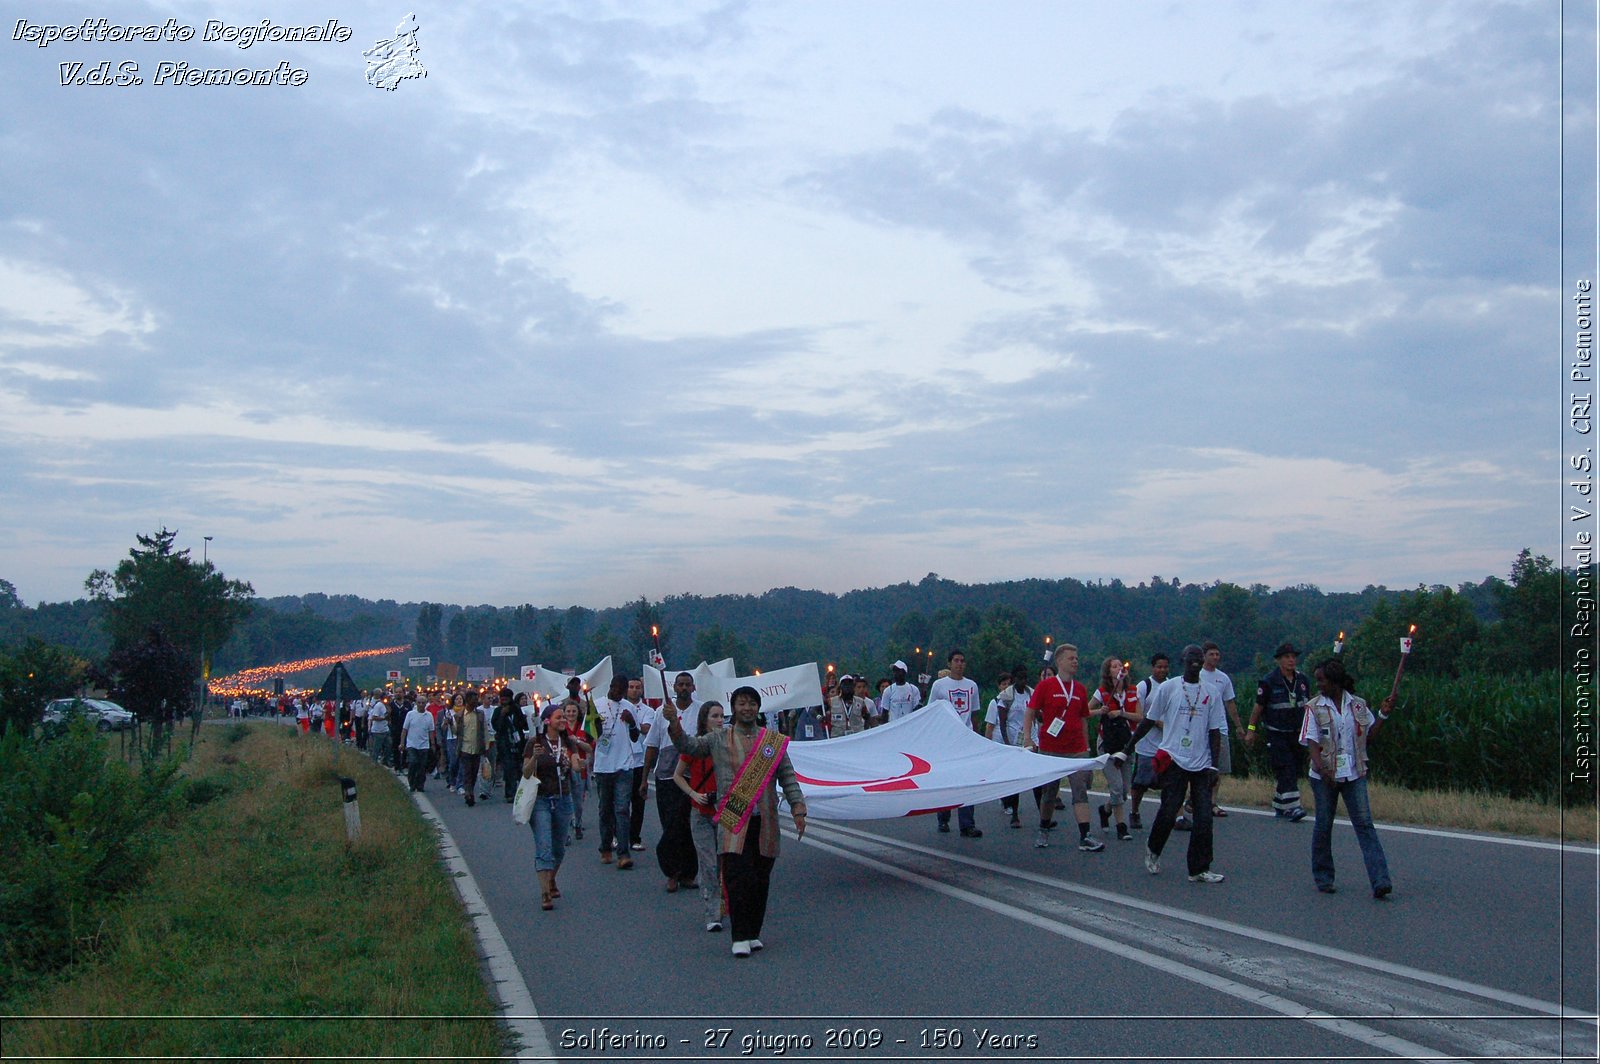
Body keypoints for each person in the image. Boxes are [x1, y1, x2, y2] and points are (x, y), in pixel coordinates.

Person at [663, 686, 808, 958]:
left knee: (760, 879)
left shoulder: (771, 741)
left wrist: (798, 807)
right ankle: (739, 936)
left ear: (758, 707)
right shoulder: (718, 738)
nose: (747, 708)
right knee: (737, 878)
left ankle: (753, 932)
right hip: (733, 820)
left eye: (752, 703)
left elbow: (787, 776)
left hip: (765, 821)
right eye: (742, 703)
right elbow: (688, 746)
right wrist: (673, 721)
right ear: (734, 707)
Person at [1132, 644, 1226, 883]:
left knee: (1204, 816)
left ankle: (1199, 868)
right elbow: (1148, 720)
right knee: (1170, 809)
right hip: (1174, 757)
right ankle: (1153, 847)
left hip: (1201, 761)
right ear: (1183, 661)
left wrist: (1214, 766)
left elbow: (1215, 732)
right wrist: (1127, 748)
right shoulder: (1169, 687)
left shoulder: (1211, 692)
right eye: (1190, 659)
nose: (1195, 663)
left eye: (1198, 659)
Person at [1301, 659, 1395, 897]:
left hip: (1354, 773)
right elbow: (1312, 743)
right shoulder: (1314, 707)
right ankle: (1324, 877)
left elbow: (1369, 738)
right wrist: (1324, 771)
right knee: (1324, 825)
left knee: (1365, 824)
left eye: (1322, 680)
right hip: (1324, 776)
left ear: (1334, 682)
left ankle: (1380, 880)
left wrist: (1383, 715)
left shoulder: (1358, 706)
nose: (1318, 684)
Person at [1021, 643, 1103, 852]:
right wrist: (1028, 739)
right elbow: (1030, 712)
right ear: (1059, 662)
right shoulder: (1046, 686)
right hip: (1051, 748)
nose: (1075, 661)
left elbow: (1083, 719)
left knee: (1080, 790)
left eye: (1076, 658)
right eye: (1071, 658)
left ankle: (1085, 835)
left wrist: (1086, 748)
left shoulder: (1081, 689)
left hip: (1076, 749)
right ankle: (1043, 828)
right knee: (1049, 792)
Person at [523, 704, 591, 910]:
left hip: (563, 798)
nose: (563, 720)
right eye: (558, 717)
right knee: (544, 846)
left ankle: (551, 878)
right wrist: (535, 756)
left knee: (559, 847)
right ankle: (545, 892)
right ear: (547, 721)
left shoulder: (567, 742)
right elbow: (525, 773)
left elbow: (577, 763)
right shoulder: (535, 742)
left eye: (564, 717)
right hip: (541, 799)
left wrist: (580, 763)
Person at [672, 700, 728, 932]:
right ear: (704, 719)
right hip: (702, 812)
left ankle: (727, 902)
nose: (719, 720)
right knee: (708, 864)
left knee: (727, 862)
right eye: (714, 716)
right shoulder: (696, 747)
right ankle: (712, 913)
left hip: (726, 811)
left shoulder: (728, 745)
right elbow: (677, 776)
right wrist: (695, 794)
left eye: (722, 716)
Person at [643, 672, 701, 892]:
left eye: (688, 685)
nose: (684, 688)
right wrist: (643, 778)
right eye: (680, 685)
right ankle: (671, 872)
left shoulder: (701, 710)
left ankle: (688, 873)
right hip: (667, 776)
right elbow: (652, 745)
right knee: (671, 824)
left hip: (692, 777)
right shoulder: (662, 712)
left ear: (693, 688)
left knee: (688, 825)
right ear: (674, 688)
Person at [1248, 642, 1314, 821]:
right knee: (1286, 768)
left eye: (1293, 657)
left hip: (1296, 733)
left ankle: (1279, 804)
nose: (1291, 660)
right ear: (1278, 660)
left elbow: (1308, 707)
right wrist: (1251, 730)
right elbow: (1258, 708)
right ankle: (1293, 807)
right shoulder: (1269, 681)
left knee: (1295, 767)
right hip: (1276, 732)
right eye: (1287, 657)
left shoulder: (1302, 681)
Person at [928, 650, 983, 837]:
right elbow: (932, 712)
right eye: (956, 661)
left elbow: (974, 713)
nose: (960, 664)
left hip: (965, 739)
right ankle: (943, 818)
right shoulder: (939, 685)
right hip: (946, 739)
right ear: (949, 663)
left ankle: (967, 824)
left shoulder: (972, 686)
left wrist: (976, 737)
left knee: (968, 781)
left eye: (962, 661)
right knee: (947, 780)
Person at [1089, 656, 1141, 842]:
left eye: (1120, 665)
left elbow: (1140, 717)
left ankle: (1106, 809)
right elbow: (1085, 711)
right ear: (1108, 671)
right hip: (1108, 742)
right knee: (1117, 787)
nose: (1119, 668)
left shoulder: (1133, 691)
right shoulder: (1102, 692)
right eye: (1114, 666)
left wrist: (1122, 713)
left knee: (1124, 790)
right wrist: (1099, 712)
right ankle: (1121, 826)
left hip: (1127, 744)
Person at [591, 676, 640, 868]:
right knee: (605, 810)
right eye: (617, 690)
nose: (619, 694)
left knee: (622, 810)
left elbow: (635, 738)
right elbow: (590, 734)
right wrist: (595, 725)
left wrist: (632, 723)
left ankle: (623, 853)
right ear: (611, 687)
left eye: (622, 691)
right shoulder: (598, 704)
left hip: (624, 765)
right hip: (603, 766)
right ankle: (605, 847)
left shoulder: (629, 707)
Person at [1196, 641, 1246, 822]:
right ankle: (1197, 799)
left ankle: (1212, 802)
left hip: (1220, 727)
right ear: (1204, 656)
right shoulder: (1197, 675)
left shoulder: (1223, 678)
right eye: (1212, 654)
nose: (1215, 657)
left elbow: (1230, 703)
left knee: (1217, 768)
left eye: (1217, 654)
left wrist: (1239, 726)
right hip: (1200, 728)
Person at [984, 667, 1033, 828]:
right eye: (1002, 683)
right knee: (1007, 773)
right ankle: (1007, 801)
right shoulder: (996, 702)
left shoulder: (1027, 695)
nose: (1006, 686)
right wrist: (990, 744)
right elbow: (991, 726)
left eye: (1007, 683)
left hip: (1021, 739)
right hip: (1003, 740)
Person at [1128, 653, 1170, 830]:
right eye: (1159, 667)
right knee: (1141, 783)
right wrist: (1155, 722)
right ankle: (1134, 811)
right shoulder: (1144, 686)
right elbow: (1139, 713)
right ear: (1153, 667)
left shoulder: (1171, 686)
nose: (1162, 670)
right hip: (1146, 744)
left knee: (1169, 782)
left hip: (1166, 744)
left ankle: (1173, 814)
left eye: (1165, 667)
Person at [625, 677, 655, 852]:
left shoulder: (648, 710)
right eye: (631, 687)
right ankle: (617, 835)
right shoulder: (620, 707)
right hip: (622, 760)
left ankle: (635, 837)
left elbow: (646, 728)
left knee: (638, 802)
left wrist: (631, 720)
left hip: (639, 761)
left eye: (638, 687)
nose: (634, 690)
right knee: (621, 802)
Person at [493, 689, 530, 803]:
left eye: (506, 699)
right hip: (505, 744)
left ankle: (522, 792)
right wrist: (503, 715)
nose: (504, 701)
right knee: (509, 769)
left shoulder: (516, 709)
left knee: (519, 769)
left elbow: (524, 726)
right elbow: (496, 727)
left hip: (518, 743)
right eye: (502, 699)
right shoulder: (498, 711)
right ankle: (510, 793)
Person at [457, 689, 492, 807]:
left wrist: (486, 746)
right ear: (467, 701)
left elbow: (485, 731)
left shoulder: (480, 715)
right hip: (465, 748)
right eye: (473, 699)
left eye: (476, 699)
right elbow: (456, 732)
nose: (475, 701)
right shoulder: (460, 715)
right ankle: (469, 793)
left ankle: (470, 789)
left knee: (474, 771)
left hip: (477, 748)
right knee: (467, 771)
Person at [564, 699, 592, 840]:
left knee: (578, 801)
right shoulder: (561, 727)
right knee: (565, 799)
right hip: (564, 768)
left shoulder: (583, 727)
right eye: (568, 711)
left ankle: (578, 823)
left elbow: (590, 748)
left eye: (573, 711)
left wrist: (577, 741)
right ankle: (567, 829)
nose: (571, 714)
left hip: (579, 768)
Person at [400, 697, 437, 793]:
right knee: (413, 763)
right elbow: (405, 730)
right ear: (416, 703)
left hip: (424, 745)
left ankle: (420, 785)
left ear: (426, 704)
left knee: (422, 766)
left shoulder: (428, 715)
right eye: (419, 703)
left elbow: (431, 731)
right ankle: (412, 784)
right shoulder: (410, 714)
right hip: (412, 744)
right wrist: (402, 743)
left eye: (423, 703)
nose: (421, 704)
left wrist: (433, 744)